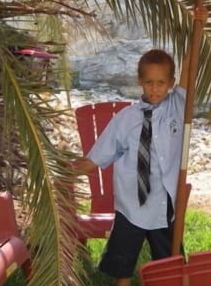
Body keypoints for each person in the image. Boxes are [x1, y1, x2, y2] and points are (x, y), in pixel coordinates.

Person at [72, 47, 189, 285]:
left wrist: (199, 30)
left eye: (161, 83)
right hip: (131, 203)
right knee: (123, 265)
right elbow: (98, 156)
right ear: (139, 81)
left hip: (163, 202)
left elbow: (190, 69)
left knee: (169, 265)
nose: (155, 89)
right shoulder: (125, 119)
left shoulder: (176, 107)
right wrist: (65, 171)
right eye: (149, 82)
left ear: (171, 83)